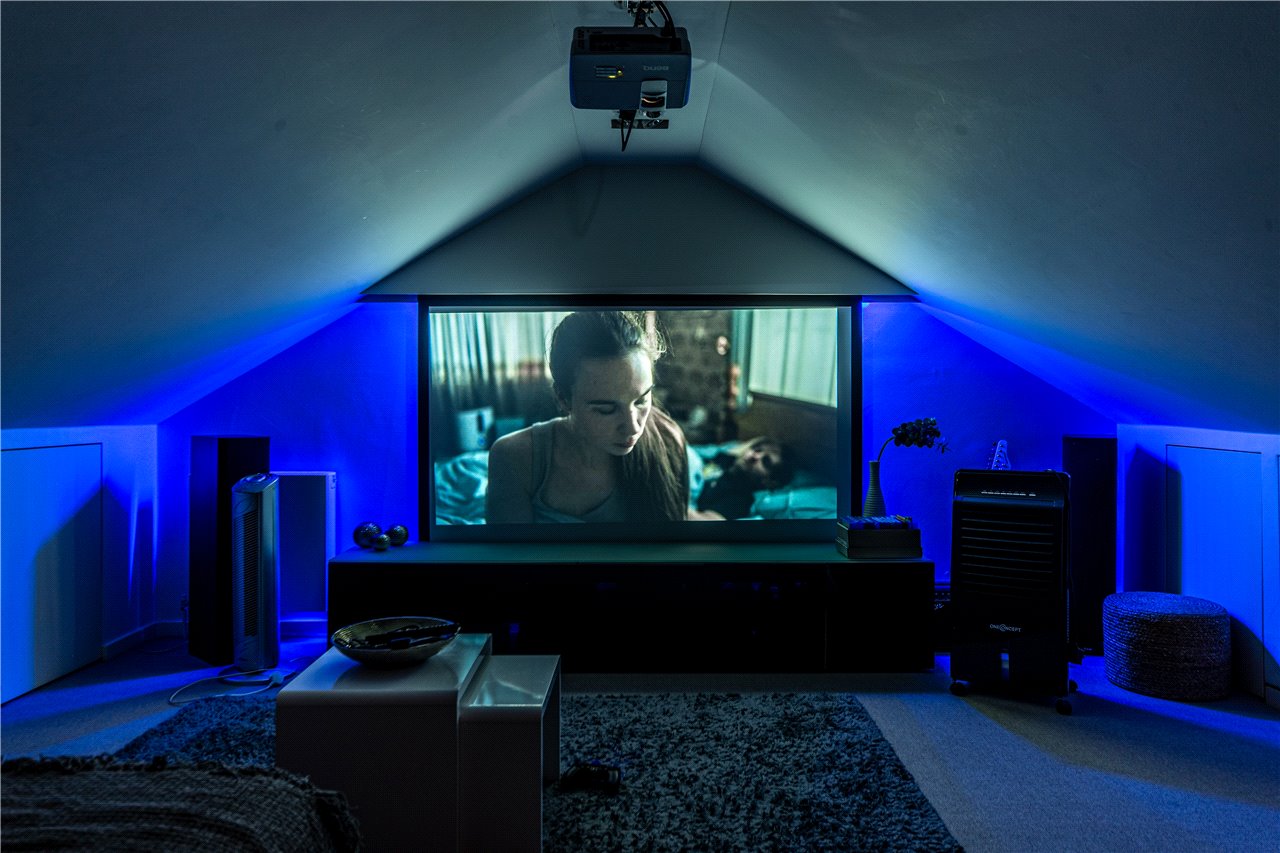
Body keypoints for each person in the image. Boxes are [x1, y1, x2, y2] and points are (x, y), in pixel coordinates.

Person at [485, 311, 689, 524]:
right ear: (563, 399)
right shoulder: (515, 458)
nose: (632, 427)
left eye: (641, 400)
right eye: (606, 409)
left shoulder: (669, 441)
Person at [692, 436, 794, 520]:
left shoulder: (741, 500)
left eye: (765, 461)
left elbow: (703, 521)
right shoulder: (726, 460)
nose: (755, 456)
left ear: (770, 482)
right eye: (757, 450)